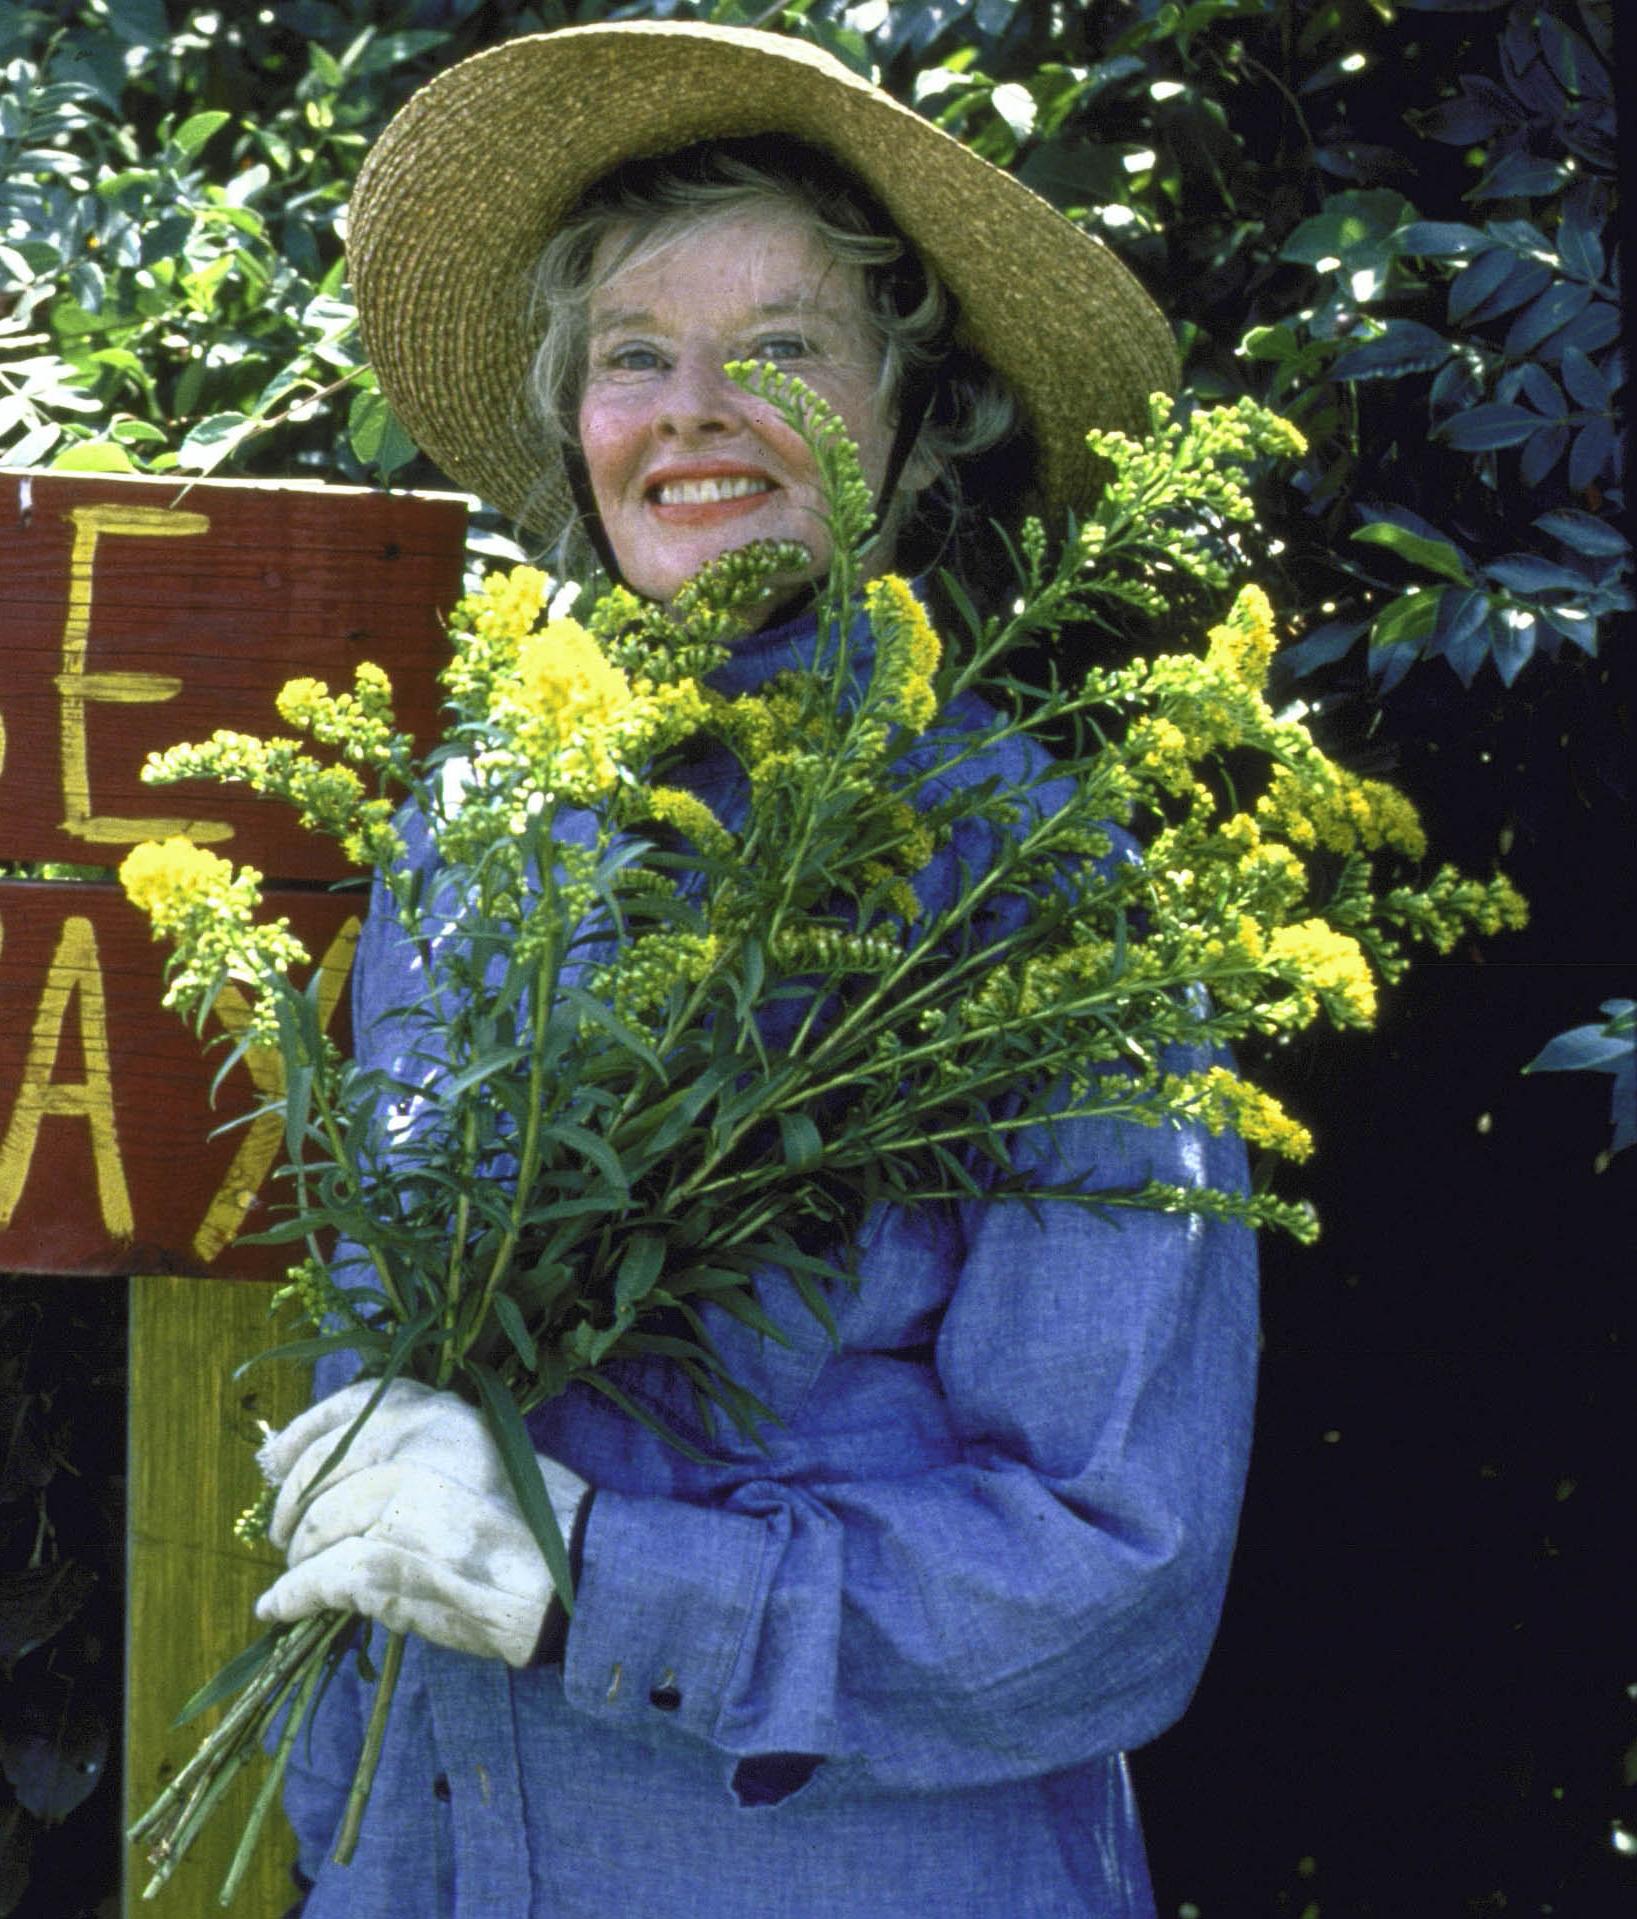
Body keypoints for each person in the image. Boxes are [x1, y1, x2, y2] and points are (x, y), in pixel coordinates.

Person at [250, 23, 1259, 1916]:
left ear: (911, 413)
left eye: (780, 352)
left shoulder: (1031, 890)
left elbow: (1118, 1582)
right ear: (575, 427)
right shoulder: (475, 829)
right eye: (635, 357)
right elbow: (391, 1397)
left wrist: (595, 1581)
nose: (691, 411)